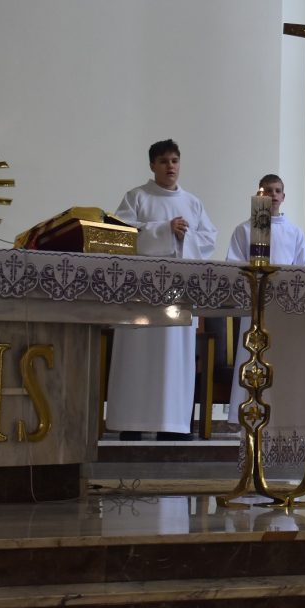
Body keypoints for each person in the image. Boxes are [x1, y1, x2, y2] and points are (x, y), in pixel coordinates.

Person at [107, 139, 217, 440]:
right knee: (137, 358)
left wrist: (183, 237)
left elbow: (208, 239)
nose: (171, 166)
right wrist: (164, 230)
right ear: (152, 165)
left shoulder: (193, 203)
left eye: (175, 160)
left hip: (178, 294)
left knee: (175, 359)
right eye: (164, 161)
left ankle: (173, 425)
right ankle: (131, 424)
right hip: (140, 295)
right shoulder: (136, 197)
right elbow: (121, 236)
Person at [226, 174, 305, 424]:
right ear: (259, 195)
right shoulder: (244, 230)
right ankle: (246, 414)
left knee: (281, 360)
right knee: (250, 356)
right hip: (254, 305)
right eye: (268, 190)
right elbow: (234, 265)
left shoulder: (294, 233)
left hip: (283, 309)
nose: (273, 195)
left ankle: (280, 415)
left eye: (277, 191)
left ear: (283, 196)